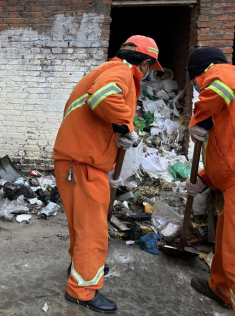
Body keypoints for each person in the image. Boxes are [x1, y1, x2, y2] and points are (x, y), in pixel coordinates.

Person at [53, 35, 163, 313]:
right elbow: (103, 96)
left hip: (79, 161)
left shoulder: (108, 69)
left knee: (84, 225)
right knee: (93, 230)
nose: (150, 73)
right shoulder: (121, 71)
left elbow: (96, 114)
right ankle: (83, 290)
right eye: (151, 67)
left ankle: (80, 267)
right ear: (146, 63)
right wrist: (125, 127)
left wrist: (111, 161)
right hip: (82, 163)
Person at [185, 47, 235, 313]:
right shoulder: (225, 105)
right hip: (230, 184)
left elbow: (225, 83)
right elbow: (224, 149)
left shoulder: (224, 74)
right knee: (227, 243)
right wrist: (204, 178)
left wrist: (200, 118)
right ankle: (220, 289)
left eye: (195, 80)